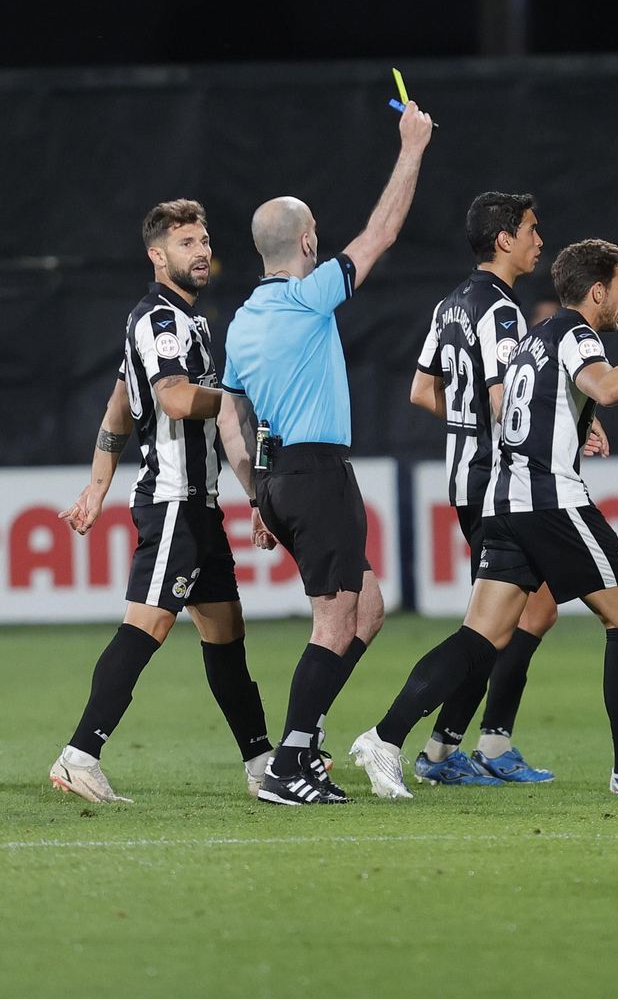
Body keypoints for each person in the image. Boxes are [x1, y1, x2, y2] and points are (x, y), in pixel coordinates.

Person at [349, 239, 618, 798]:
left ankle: (384, 737)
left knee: (482, 636)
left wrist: (578, 423)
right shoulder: (577, 333)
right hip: (551, 502)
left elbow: (526, 404)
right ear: (596, 291)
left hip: (502, 503)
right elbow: (607, 386)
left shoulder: (532, 339)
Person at [217, 100, 434, 805]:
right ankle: (288, 765)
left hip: (281, 476)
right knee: (335, 620)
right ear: (308, 240)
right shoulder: (310, 300)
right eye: (317, 232)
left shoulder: (243, 324)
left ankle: (301, 750)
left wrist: (256, 492)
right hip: (315, 471)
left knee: (366, 609)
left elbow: (228, 417)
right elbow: (383, 232)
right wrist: (412, 148)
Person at [49, 200, 274, 804]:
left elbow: (121, 404)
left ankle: (260, 763)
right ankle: (79, 755)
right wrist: (239, 393)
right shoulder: (159, 318)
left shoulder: (184, 321)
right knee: (144, 627)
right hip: (172, 503)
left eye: (204, 240)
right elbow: (174, 400)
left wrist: (96, 487)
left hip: (199, 505)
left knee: (226, 633)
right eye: (186, 243)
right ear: (157, 256)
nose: (201, 251)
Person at [408, 191, 605, 785]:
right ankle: (447, 748)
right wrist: (568, 427)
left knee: (529, 611)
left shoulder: (451, 305)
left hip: (465, 475)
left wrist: (467, 420)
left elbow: (421, 391)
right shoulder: (503, 312)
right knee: (494, 625)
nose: (538, 241)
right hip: (502, 483)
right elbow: (503, 396)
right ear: (504, 240)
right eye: (530, 229)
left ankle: (472, 745)